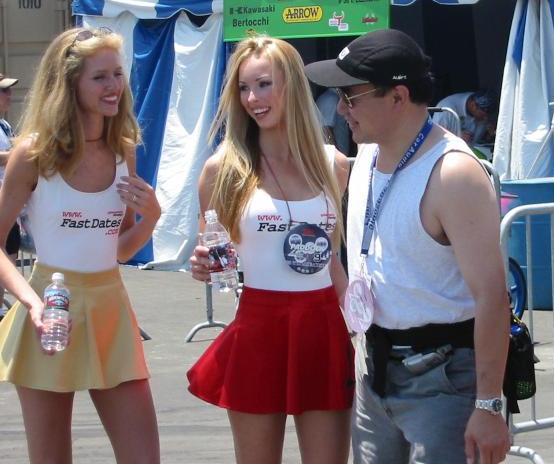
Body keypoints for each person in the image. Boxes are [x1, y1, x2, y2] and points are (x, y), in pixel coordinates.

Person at [304, 28, 511, 464]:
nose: (340, 109)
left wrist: (489, 405)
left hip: (442, 379)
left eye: (350, 96)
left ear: (398, 97)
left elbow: (492, 295)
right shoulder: (367, 156)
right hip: (375, 368)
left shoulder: (453, 173)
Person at [186, 35, 353, 464]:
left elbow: (331, 257)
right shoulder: (222, 170)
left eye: (263, 84)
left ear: (292, 86)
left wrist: (358, 320)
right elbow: (214, 251)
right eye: (244, 88)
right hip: (258, 326)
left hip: (323, 327)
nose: (252, 99)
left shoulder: (333, 164)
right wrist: (203, 265)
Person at [0, 27, 162, 463]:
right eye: (100, 77)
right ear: (69, 83)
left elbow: (121, 249)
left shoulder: (123, 149)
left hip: (110, 308)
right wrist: (31, 303)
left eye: (117, 74)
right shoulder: (33, 154)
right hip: (50, 309)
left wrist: (153, 217)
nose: (114, 87)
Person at [0, 73, 21, 320]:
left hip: (8, 200)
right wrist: (19, 156)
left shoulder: (5, 125)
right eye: (4, 90)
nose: (9, 95)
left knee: (10, 253)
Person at [316, 87, 352, 155]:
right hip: (333, 158)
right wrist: (336, 157)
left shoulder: (333, 98)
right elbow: (326, 131)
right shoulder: (331, 98)